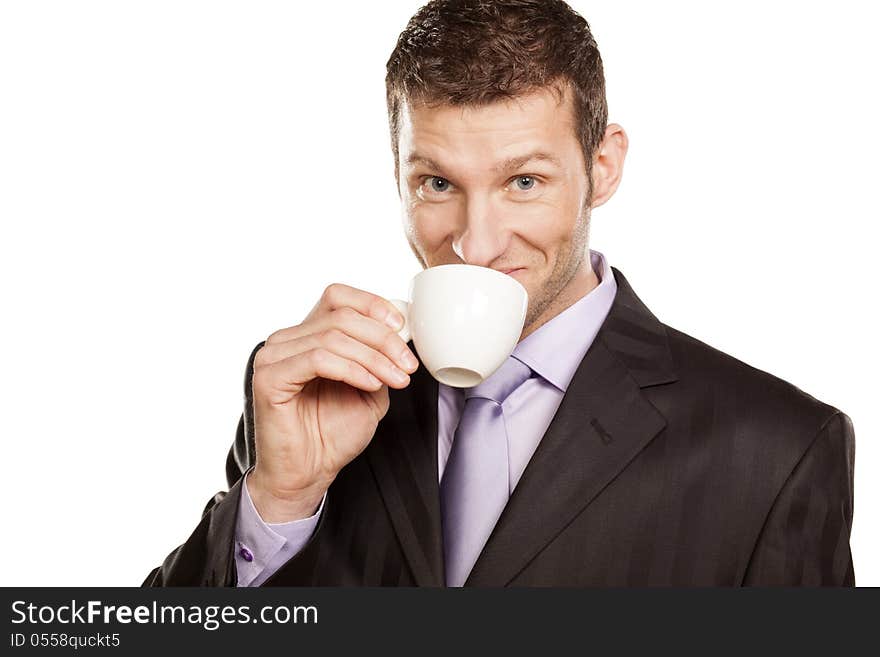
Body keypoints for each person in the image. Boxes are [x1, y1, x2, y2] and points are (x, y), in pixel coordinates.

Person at [143, 0, 856, 587]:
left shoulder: (777, 451)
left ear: (602, 168)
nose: (476, 243)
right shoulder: (307, 395)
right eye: (438, 183)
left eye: (523, 182)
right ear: (399, 176)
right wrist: (278, 502)